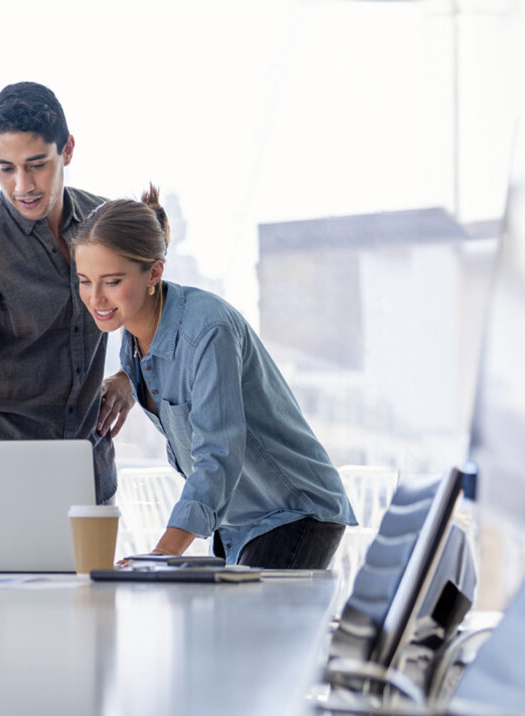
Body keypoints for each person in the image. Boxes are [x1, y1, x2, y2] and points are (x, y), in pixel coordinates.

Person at [73, 186, 357, 568]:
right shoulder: (133, 339)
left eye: (111, 281)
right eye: (85, 280)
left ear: (154, 272)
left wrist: (163, 553)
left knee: (249, 629)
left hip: (293, 511)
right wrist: (127, 377)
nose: (95, 299)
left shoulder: (209, 329)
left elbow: (217, 453)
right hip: (237, 522)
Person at [0, 81, 133, 504]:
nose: (22, 184)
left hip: (91, 476)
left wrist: (129, 375)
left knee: (95, 575)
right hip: (3, 475)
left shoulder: (108, 225)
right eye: (5, 168)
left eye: (37, 164)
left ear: (68, 150)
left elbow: (153, 306)